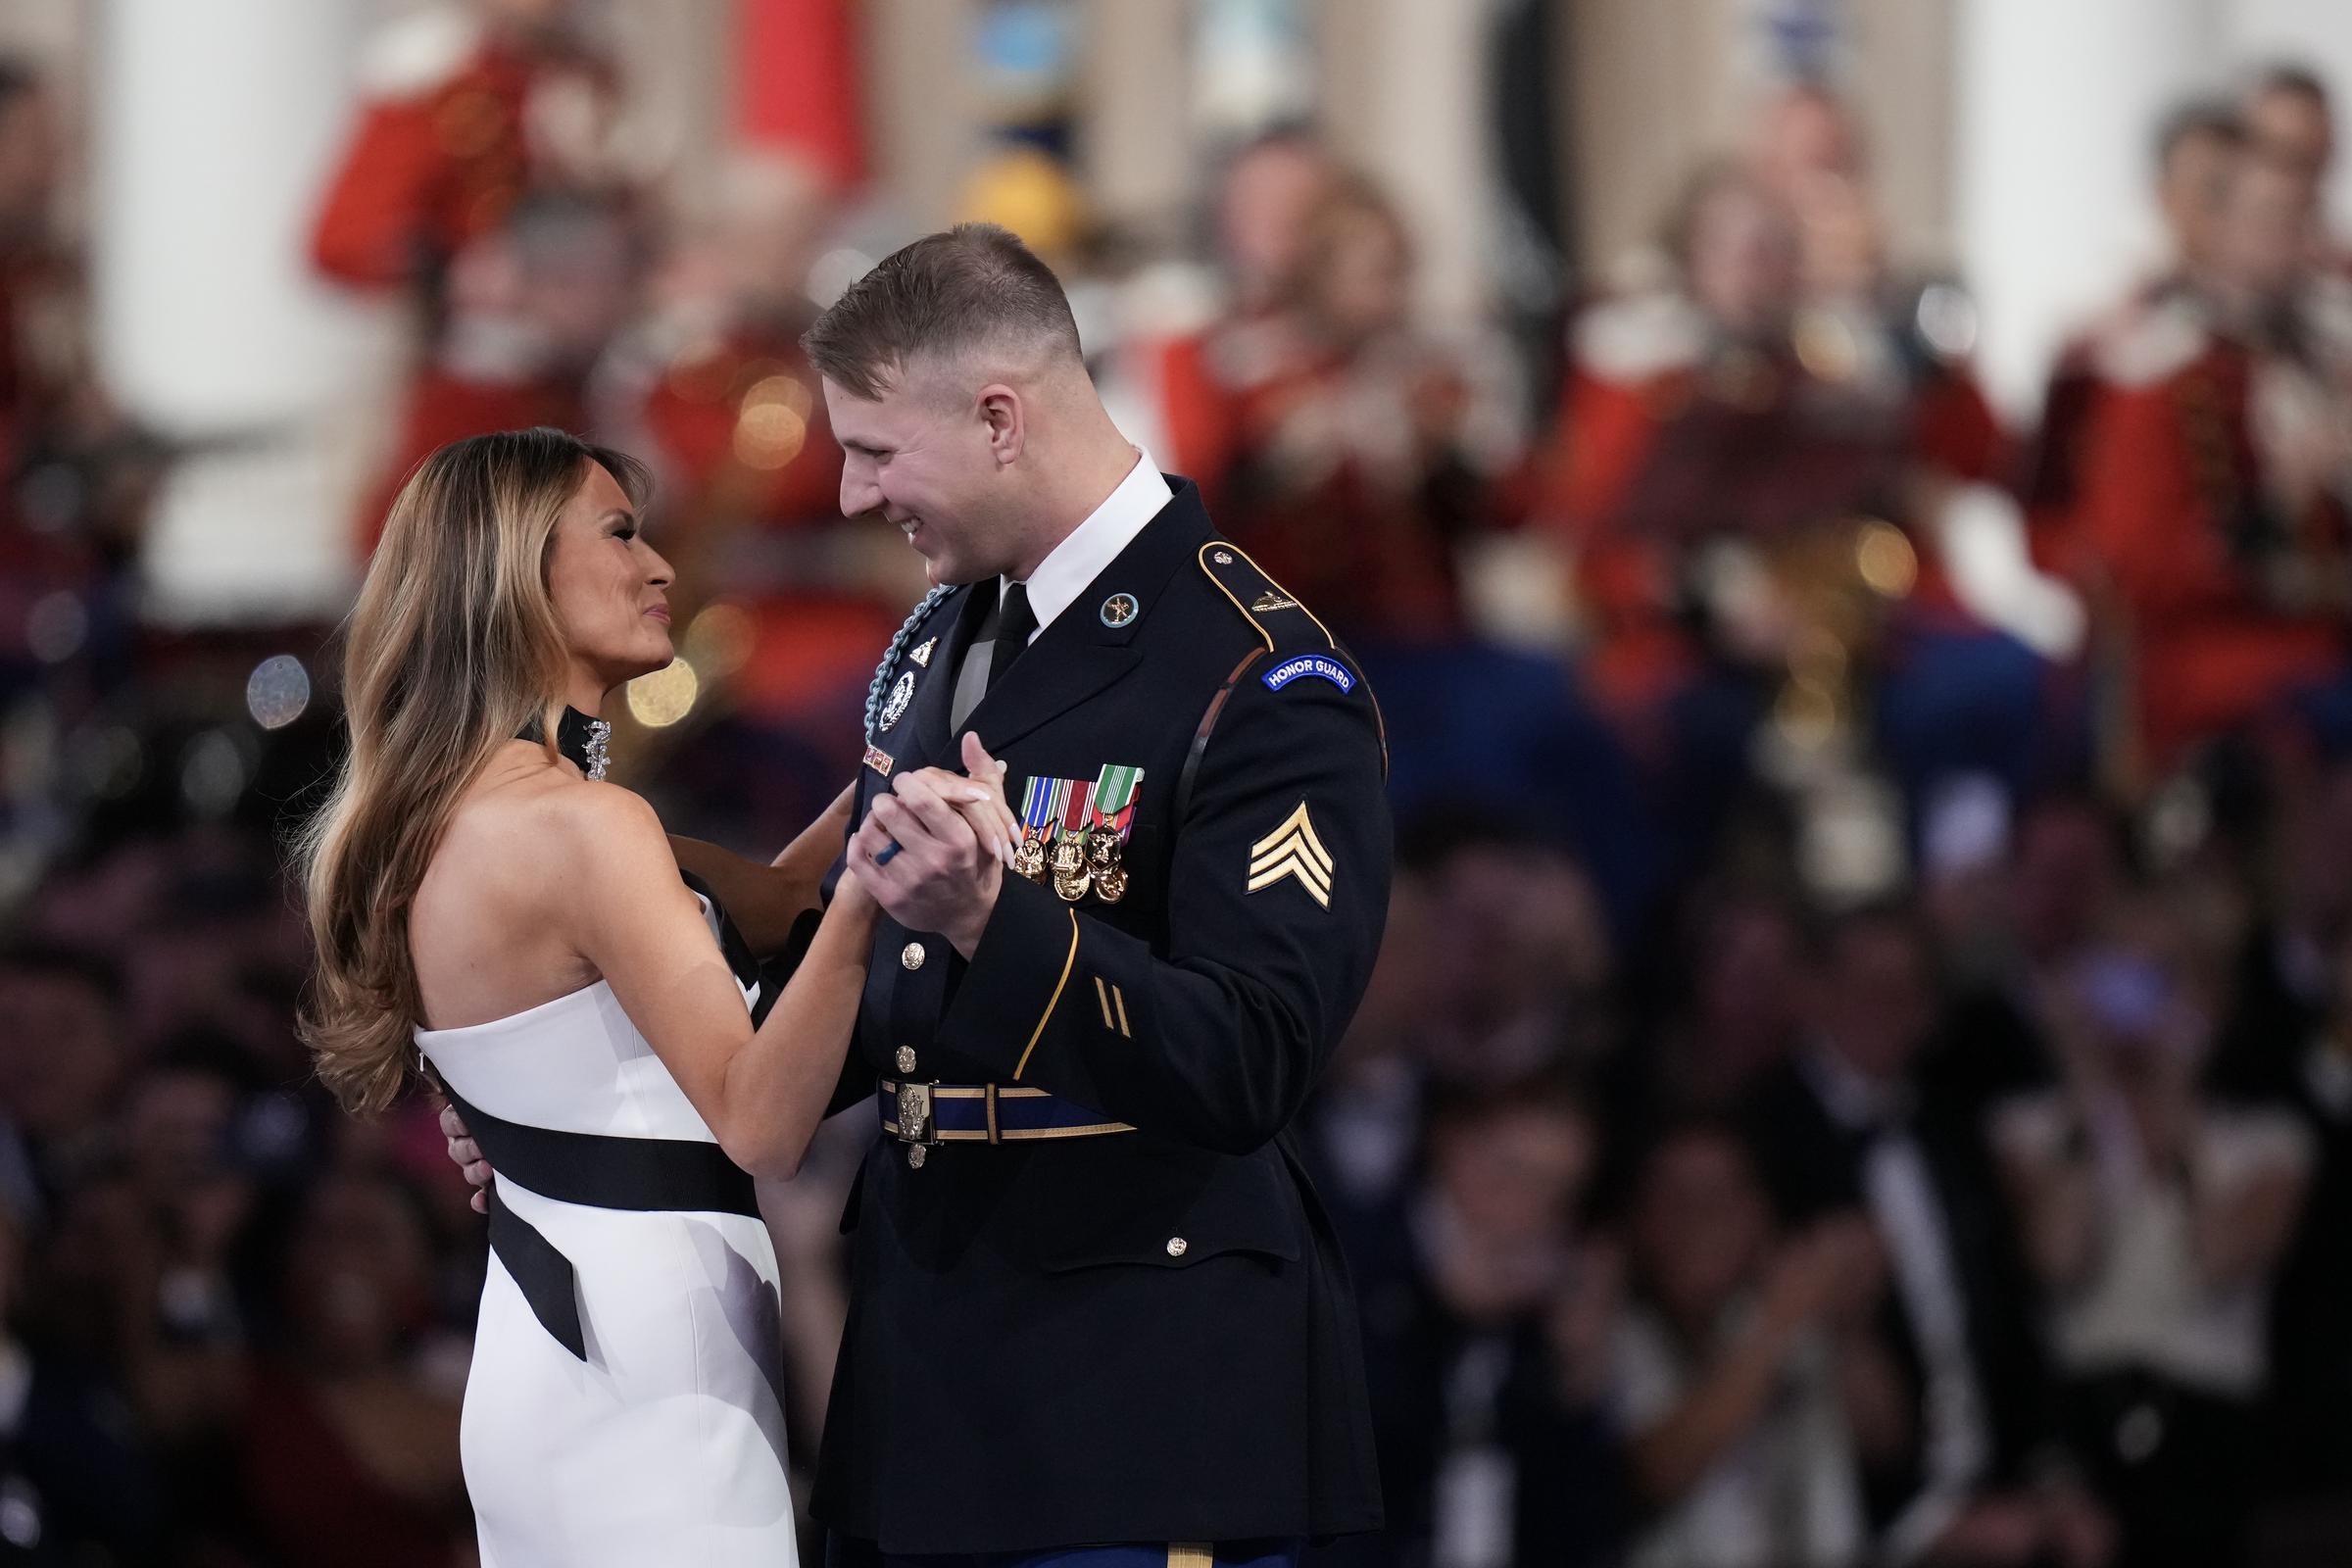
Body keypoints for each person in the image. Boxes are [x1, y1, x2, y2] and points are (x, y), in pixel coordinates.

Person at [448, 224, 1395, 1561]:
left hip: (1144, 1414)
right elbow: (852, 992)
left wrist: (993, 922)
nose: (845, 494)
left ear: (1000, 419)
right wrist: (586, 1103)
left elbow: (1255, 1057)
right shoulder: (941, 641)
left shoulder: (1255, 675)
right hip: (931, 1398)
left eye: (877, 450)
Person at [300, 427, 1013, 1565]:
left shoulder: (461, 819)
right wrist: (884, 885)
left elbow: (777, 903)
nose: (663, 566)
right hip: (651, 1380)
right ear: (512, 567)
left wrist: (897, 772)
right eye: (621, 532)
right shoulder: (584, 829)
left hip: (562, 1364)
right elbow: (761, 1120)